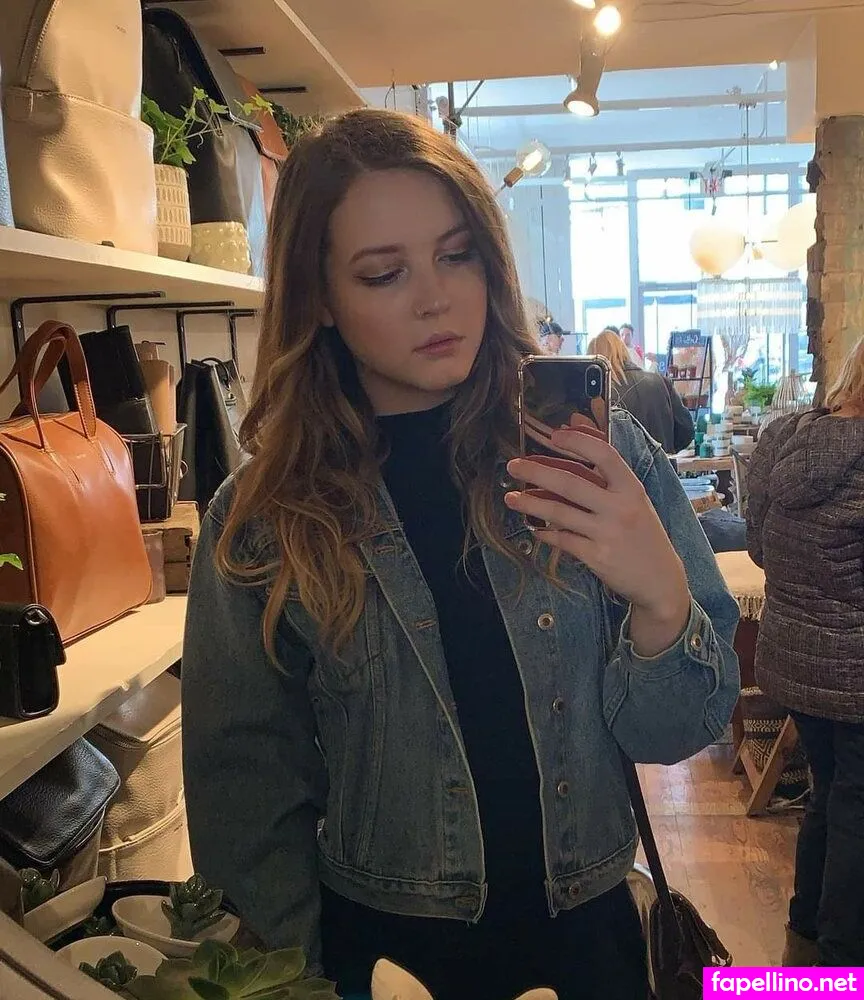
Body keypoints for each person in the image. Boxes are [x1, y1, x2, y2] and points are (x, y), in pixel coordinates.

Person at [182, 109, 740, 1000]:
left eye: (457, 254)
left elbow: (675, 732)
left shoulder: (598, 459)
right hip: (385, 962)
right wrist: (297, 979)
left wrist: (662, 600)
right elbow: (245, 799)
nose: (435, 298)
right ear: (319, 296)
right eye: (383, 273)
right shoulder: (264, 519)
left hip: (590, 948)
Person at [746, 336, 864, 968]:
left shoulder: (783, 437)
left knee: (829, 789)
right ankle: (843, 959)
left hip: (793, 654)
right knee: (854, 803)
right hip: (854, 670)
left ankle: (807, 922)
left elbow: (758, 546)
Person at [588, 330, 695, 454]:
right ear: (623, 351)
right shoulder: (661, 382)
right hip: (662, 463)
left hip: (617, 465)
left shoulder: (598, 394)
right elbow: (686, 431)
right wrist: (664, 450)